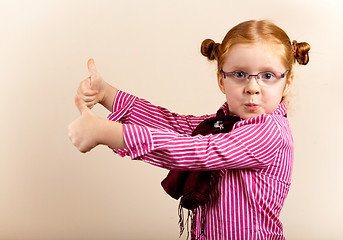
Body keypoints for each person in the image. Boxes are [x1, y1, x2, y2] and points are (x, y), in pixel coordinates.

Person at [68, 20, 310, 239]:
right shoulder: (220, 124)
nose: (252, 87)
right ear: (221, 79)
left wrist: (107, 132)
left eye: (267, 75)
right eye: (239, 74)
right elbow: (173, 124)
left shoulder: (270, 132)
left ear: (286, 82)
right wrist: (108, 95)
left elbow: (198, 151)